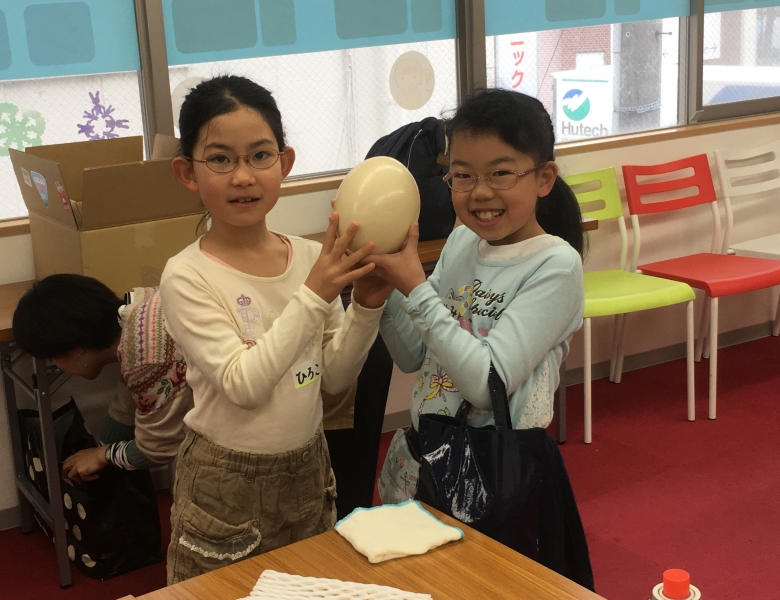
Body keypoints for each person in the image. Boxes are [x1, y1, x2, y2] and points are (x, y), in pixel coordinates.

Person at [162, 75, 389, 584]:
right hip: (224, 481)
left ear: (284, 163)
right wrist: (314, 294)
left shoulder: (308, 257)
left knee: (307, 589)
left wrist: (366, 308)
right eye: (220, 159)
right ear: (187, 172)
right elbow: (244, 385)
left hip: (308, 464)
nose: (243, 176)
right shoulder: (186, 275)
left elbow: (334, 379)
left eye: (260, 156)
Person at [370, 89, 594, 589]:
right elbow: (414, 356)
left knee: (489, 589)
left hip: (496, 471)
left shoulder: (555, 265)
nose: (480, 192)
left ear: (544, 178)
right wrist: (382, 295)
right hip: (427, 455)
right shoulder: (461, 240)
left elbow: (485, 381)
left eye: (500, 173)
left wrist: (415, 289)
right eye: (463, 175)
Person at [11, 274, 192, 483]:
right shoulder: (137, 310)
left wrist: (102, 456)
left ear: (76, 349)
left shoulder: (147, 358)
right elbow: (128, 396)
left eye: (53, 358)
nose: (56, 364)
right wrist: (102, 449)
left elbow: (157, 450)